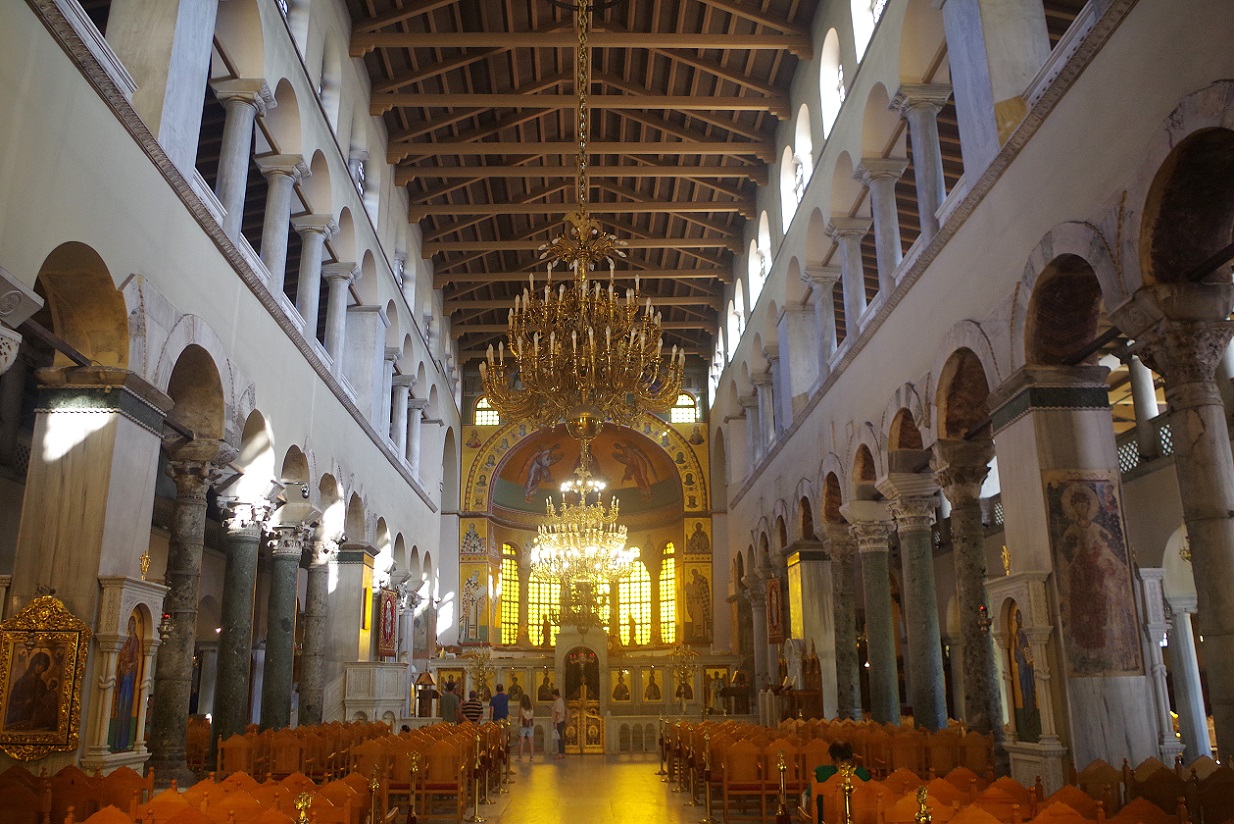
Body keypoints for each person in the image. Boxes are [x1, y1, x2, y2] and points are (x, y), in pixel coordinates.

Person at [517, 693, 535, 762]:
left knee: (521, 742)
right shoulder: (531, 708)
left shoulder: (521, 708)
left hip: (523, 726)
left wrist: (518, 724)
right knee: (531, 742)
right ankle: (531, 757)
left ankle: (520, 757)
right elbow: (532, 716)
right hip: (530, 726)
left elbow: (519, 717)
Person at [551, 688, 567, 759]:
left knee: (559, 738)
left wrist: (555, 723)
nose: (552, 697)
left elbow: (558, 712)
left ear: (555, 695)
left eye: (553, 696)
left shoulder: (558, 701)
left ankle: (561, 753)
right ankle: (562, 753)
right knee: (561, 738)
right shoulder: (560, 701)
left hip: (559, 721)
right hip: (561, 721)